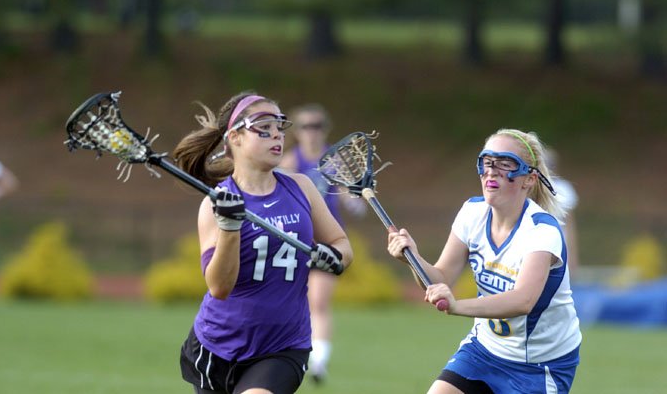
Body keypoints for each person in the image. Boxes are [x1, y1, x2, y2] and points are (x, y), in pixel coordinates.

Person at [173, 91, 353, 394]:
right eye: (263, 126)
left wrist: (335, 256)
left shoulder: (301, 188)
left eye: (279, 126)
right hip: (217, 347)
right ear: (235, 137)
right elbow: (219, 287)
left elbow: (341, 242)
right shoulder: (215, 205)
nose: (276, 135)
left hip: (282, 347)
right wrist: (229, 228)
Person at [387, 128, 581, 394]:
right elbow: (440, 278)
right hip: (483, 350)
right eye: (487, 162)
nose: (492, 171)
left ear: (529, 179)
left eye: (505, 164)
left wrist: (457, 305)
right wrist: (413, 259)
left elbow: (523, 300)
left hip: (539, 365)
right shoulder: (472, 213)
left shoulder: (542, 231)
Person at [280, 103, 365, 384]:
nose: (312, 132)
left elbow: (354, 204)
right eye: (306, 126)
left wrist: (355, 198)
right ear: (298, 131)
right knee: (289, 301)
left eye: (317, 126)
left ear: (325, 129)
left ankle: (318, 362)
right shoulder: (290, 162)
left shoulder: (335, 162)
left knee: (318, 302)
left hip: (327, 242)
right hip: (294, 242)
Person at [544, 148, 580, 275]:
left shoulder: (564, 188)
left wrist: (572, 254)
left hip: (560, 244)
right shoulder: (532, 188)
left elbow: (569, 223)